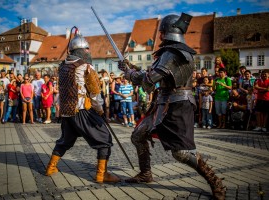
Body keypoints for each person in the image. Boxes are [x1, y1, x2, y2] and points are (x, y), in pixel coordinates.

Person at [118, 13, 225, 199]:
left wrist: (129, 74)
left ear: (165, 33)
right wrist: (131, 67)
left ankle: (214, 181)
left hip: (177, 105)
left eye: (161, 32)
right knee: (138, 135)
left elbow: (148, 82)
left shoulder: (172, 54)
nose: (159, 35)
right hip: (165, 103)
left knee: (181, 153)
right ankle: (145, 173)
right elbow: (153, 75)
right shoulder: (174, 52)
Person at [45, 31, 120, 184]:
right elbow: (94, 92)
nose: (89, 52)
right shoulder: (86, 67)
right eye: (87, 49)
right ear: (82, 50)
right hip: (82, 111)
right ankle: (101, 175)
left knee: (65, 141)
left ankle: (51, 167)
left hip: (67, 112)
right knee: (105, 140)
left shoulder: (63, 67)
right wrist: (99, 110)